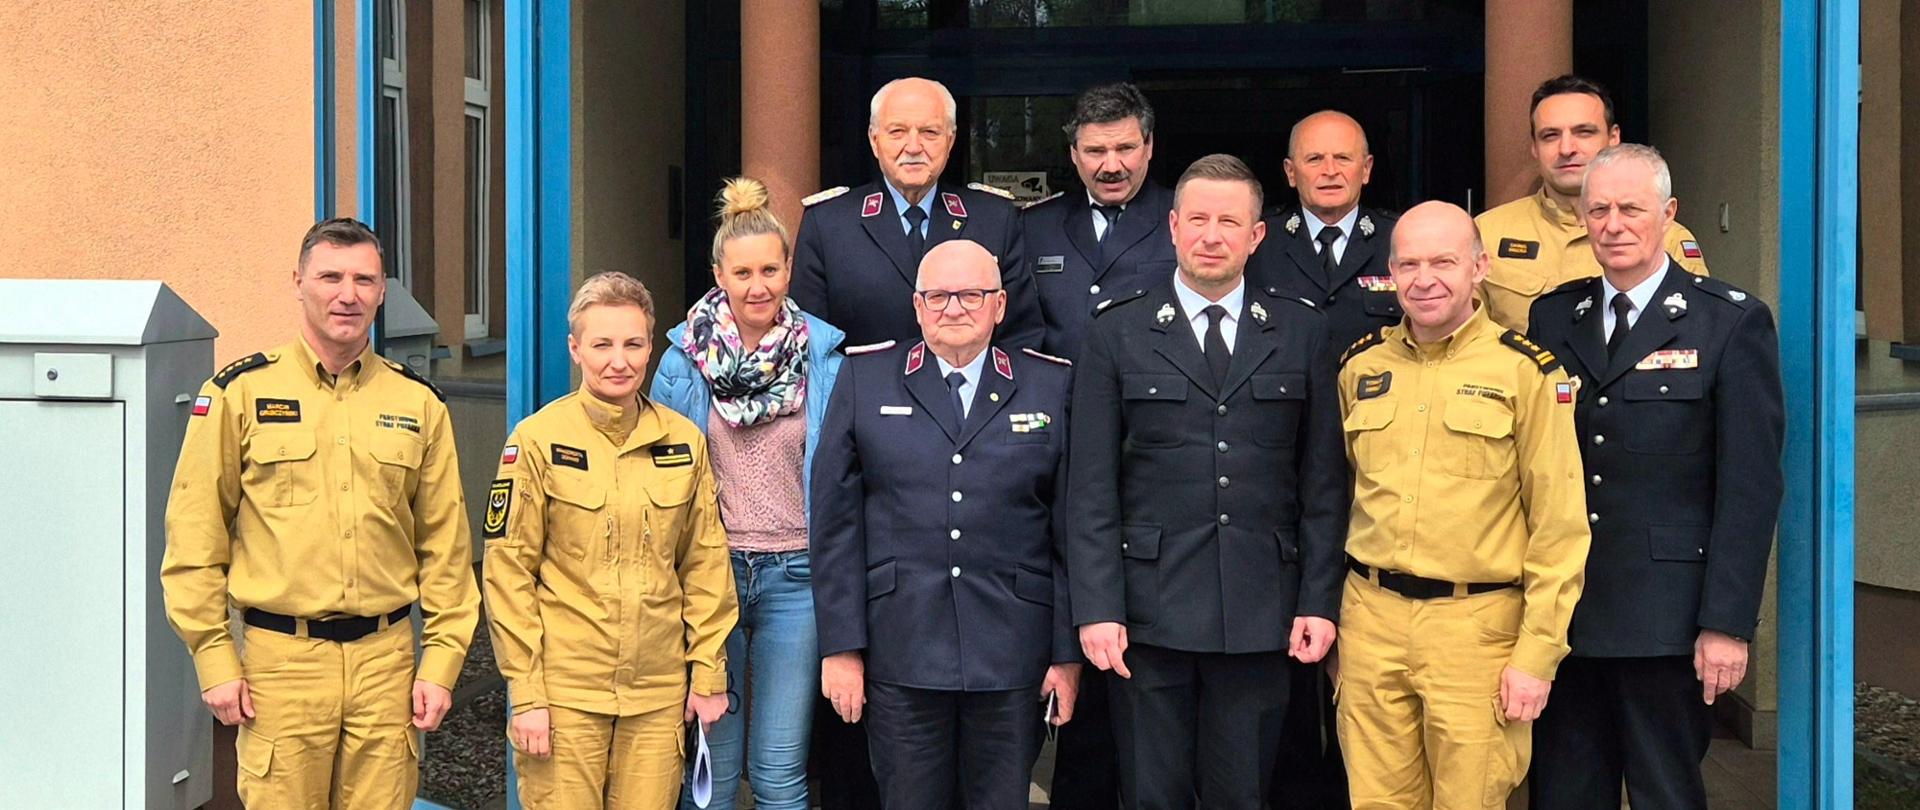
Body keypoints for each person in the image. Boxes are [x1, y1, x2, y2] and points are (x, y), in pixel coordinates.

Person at [160, 217, 480, 807]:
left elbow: (447, 552)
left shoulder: (418, 403)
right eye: (330, 276)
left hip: (386, 665)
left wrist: (440, 661)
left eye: (364, 279)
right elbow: (194, 539)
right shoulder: (238, 394)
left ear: (383, 291)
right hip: (279, 668)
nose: (347, 294)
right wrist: (213, 655)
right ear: (298, 282)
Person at [1067, 154, 1348, 808]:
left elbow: (1323, 488)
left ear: (1257, 236)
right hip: (1147, 613)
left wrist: (1317, 600)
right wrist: (1098, 607)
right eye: (1198, 219)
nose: (1211, 235)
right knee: (1151, 795)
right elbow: (1090, 489)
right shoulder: (1117, 330)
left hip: (1260, 610)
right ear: (1171, 227)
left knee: (1243, 794)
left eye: (1230, 221)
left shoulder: (1302, 330)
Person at [1524, 145, 1784, 810]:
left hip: (1667, 619)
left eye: (1631, 209)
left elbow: (1749, 487)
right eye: (1599, 209)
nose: (1613, 224)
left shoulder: (1728, 320)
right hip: (1568, 613)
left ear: (1667, 215)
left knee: (1666, 792)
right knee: (1561, 793)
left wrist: (1726, 624)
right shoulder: (1553, 317)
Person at [1335, 201, 1590, 809]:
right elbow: (1339, 499)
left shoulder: (1525, 372)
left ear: (1479, 267)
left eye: (1444, 262)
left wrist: (1537, 654)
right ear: (1390, 272)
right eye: (1410, 263)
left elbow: (1559, 526)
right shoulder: (1361, 367)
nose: (1425, 279)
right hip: (1370, 620)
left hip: (1476, 633)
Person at [811, 239, 1080, 809]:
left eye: (970, 295)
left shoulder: (1048, 385)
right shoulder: (865, 379)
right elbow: (835, 526)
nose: (953, 307)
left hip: (1012, 650)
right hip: (900, 645)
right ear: (916, 305)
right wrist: (841, 647)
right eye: (937, 296)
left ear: (1000, 304)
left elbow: (1069, 530)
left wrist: (1064, 654)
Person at [483, 272, 738, 808]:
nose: (618, 360)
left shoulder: (683, 443)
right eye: (602, 344)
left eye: (633, 343)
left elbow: (705, 565)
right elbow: (508, 575)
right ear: (575, 349)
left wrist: (709, 670)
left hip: (657, 696)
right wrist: (526, 695)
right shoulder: (536, 441)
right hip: (566, 695)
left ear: (651, 347)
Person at [650, 177, 848, 810]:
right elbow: (658, 471)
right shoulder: (683, 359)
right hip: (712, 577)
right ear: (718, 274)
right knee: (711, 768)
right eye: (742, 272)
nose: (757, 285)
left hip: (798, 578)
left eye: (770, 268)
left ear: (790, 269)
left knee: (779, 774)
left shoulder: (827, 356)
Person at [791, 76, 1042, 351]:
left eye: (929, 133)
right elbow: (810, 345)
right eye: (897, 132)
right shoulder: (828, 224)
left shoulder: (994, 218)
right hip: (864, 392)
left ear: (951, 140)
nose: (913, 147)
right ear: (874, 141)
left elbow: (1021, 336)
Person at [1475, 75, 1711, 333]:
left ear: (1613, 138)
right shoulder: (1487, 233)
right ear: (1534, 147)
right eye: (1550, 136)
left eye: (1583, 132)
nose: (1566, 148)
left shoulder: (1666, 236)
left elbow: (1696, 334)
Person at [1021, 81, 1177, 364]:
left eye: (1125, 148)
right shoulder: (1034, 226)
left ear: (1149, 146)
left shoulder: (1183, 218)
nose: (1112, 166)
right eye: (1096, 151)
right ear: (1074, 153)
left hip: (1149, 403)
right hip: (1061, 402)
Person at [1249, 110, 1402, 353]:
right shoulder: (1257, 241)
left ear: (1366, 169)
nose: (1330, 170)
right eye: (1314, 159)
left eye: (1343, 158)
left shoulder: (1401, 238)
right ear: (1291, 172)